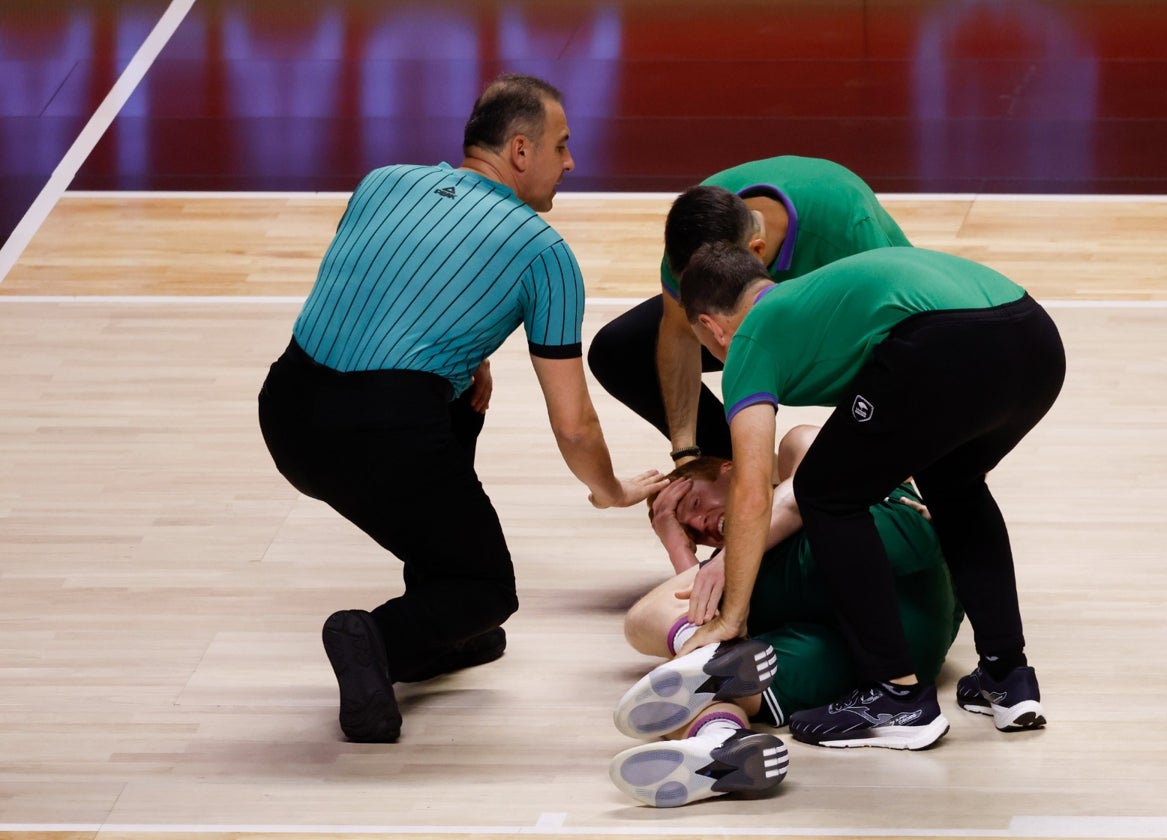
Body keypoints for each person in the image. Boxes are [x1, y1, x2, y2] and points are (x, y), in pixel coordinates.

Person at [257, 73, 667, 744]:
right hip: (380, 434)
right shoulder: (545, 253)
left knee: (462, 397)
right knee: (487, 591)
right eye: (562, 146)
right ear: (520, 150)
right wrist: (611, 490)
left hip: (287, 410)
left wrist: (464, 353)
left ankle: (440, 622)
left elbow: (366, 281)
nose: (572, 163)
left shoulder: (383, 180)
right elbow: (572, 422)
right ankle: (376, 637)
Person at [674, 242, 1065, 750]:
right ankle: (1006, 675)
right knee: (954, 483)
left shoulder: (750, 337)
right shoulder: (816, 302)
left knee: (823, 491)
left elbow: (752, 490)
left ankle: (896, 698)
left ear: (712, 326)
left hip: (949, 341)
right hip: (1035, 337)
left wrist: (732, 613)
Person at [608, 427, 962, 806]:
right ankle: (720, 744)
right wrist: (680, 547)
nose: (701, 525)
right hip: (903, 656)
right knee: (683, 699)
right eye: (691, 532)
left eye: (694, 503)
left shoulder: (795, 452)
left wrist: (715, 556)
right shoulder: (757, 579)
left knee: (646, 619)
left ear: (731, 469)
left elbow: (819, 464)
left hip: (874, 537)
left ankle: (700, 656)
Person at [587, 156, 910, 465]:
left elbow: (897, 345)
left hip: (856, 319)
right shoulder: (693, 232)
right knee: (618, 351)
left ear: (756, 251)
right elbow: (680, 335)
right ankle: (732, 466)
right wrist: (686, 451)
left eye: (707, 285)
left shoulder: (846, 227)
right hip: (766, 311)